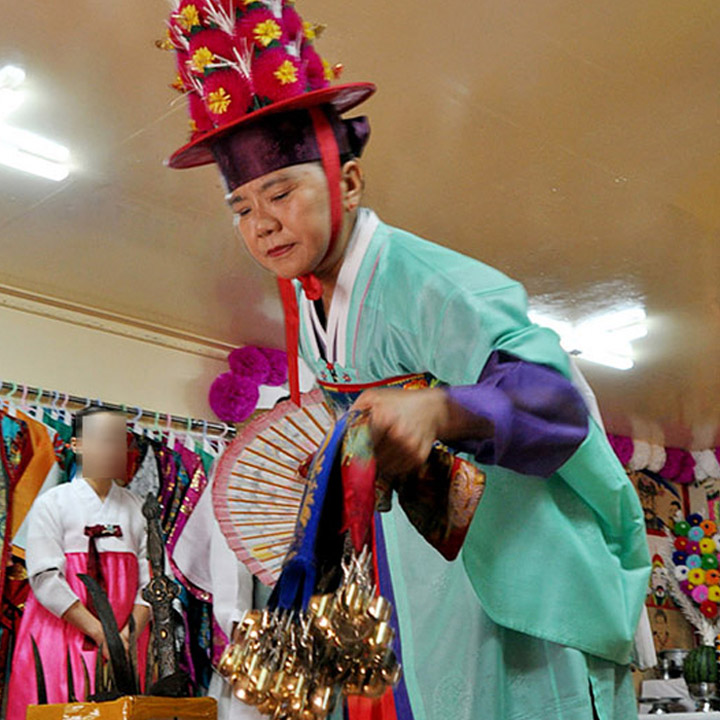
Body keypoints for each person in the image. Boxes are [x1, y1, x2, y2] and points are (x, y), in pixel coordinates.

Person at [161, 2, 650, 718]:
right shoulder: (315, 302)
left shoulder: (427, 281)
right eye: (240, 207)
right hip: (420, 562)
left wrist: (442, 408)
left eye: (281, 192)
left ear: (348, 183)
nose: (260, 223)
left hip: (509, 567)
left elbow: (553, 399)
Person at [6, 407, 151, 717]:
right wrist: (101, 633)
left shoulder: (140, 509)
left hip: (127, 640)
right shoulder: (52, 503)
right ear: (76, 445)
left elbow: (151, 583)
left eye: (118, 440)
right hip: (61, 632)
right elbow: (45, 577)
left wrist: (125, 636)